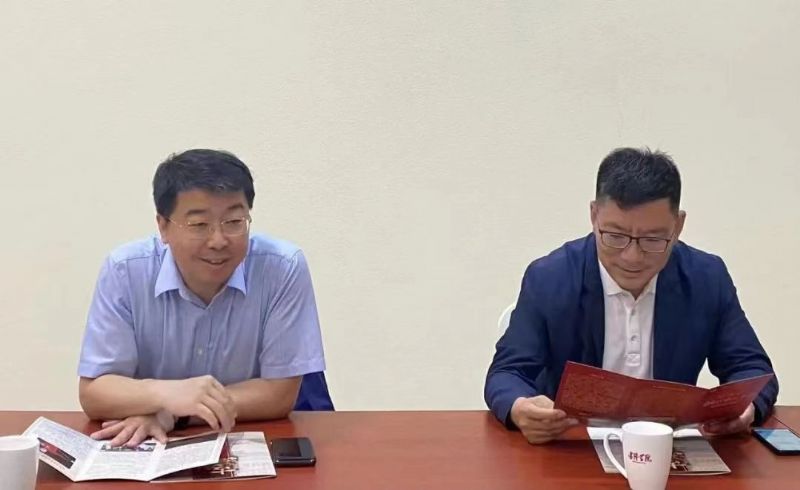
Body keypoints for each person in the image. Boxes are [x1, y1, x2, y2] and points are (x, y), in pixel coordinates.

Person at [484, 147, 778, 444]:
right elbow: (507, 372)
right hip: (573, 445)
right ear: (594, 215)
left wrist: (746, 409)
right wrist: (520, 408)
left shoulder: (706, 279)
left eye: (653, 239)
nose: (632, 257)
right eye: (615, 236)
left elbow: (751, 369)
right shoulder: (550, 277)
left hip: (666, 447)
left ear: (678, 226)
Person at [78, 149, 327, 447]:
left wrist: (172, 414)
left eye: (233, 221)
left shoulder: (282, 267)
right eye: (199, 225)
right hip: (153, 450)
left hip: (253, 440)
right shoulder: (124, 271)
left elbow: (279, 394)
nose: (218, 240)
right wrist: (168, 395)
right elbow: (95, 392)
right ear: (163, 226)